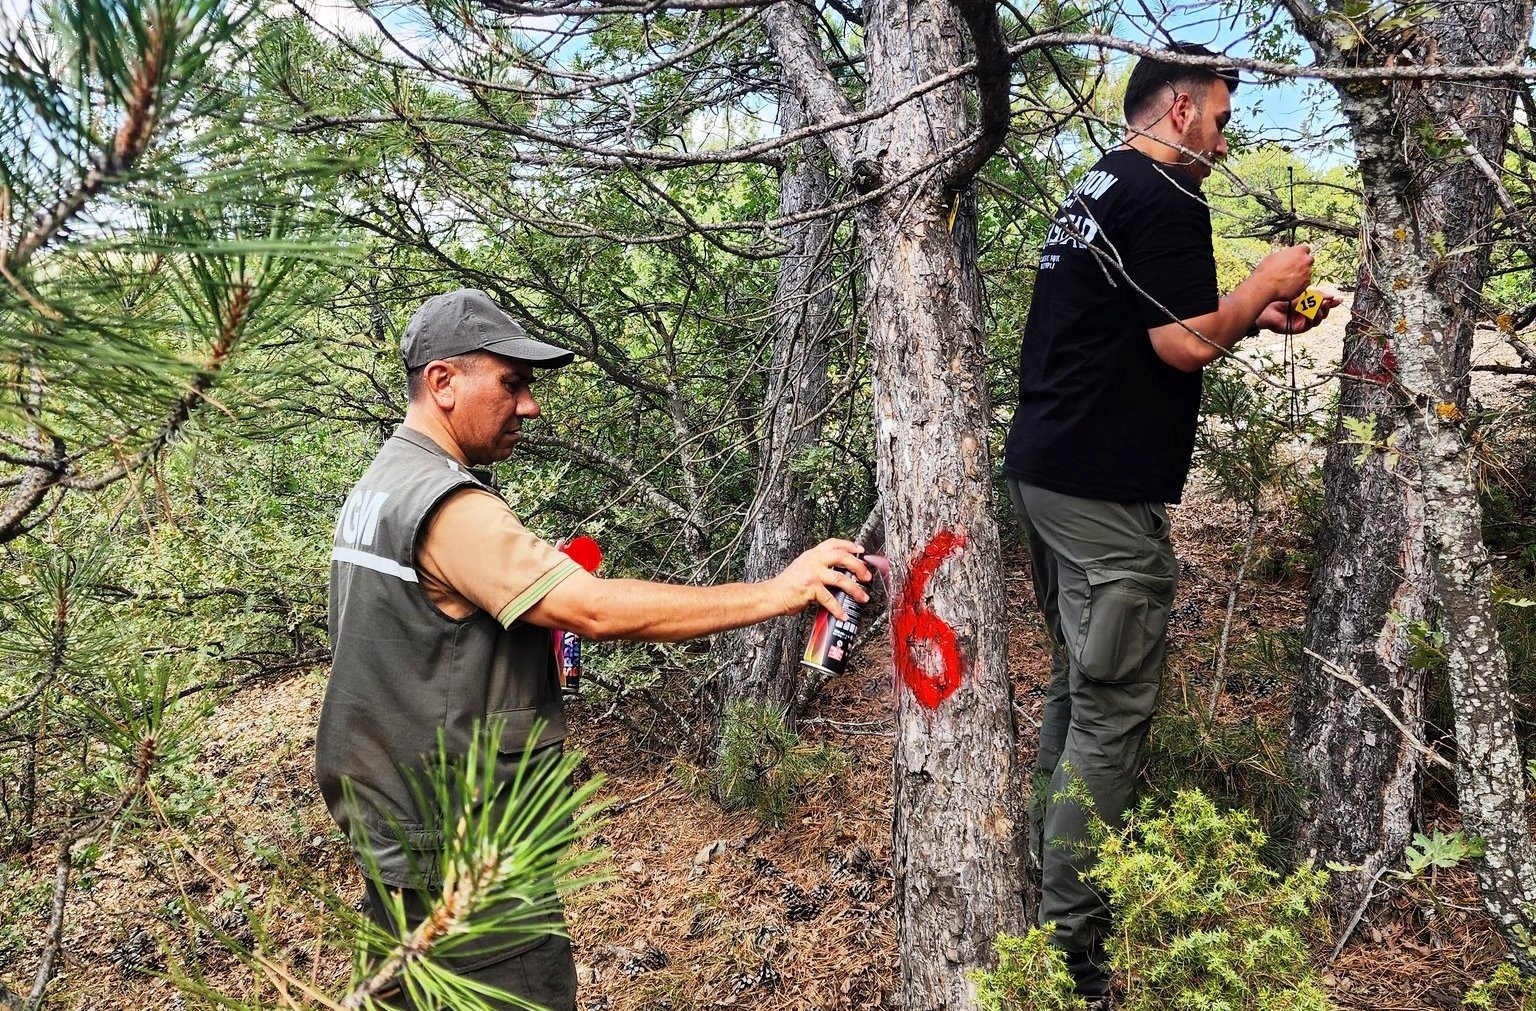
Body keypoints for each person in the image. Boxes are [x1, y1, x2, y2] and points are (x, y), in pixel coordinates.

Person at [316, 287, 870, 1010]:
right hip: (467, 856)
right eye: (510, 383)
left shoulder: (381, 485)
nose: (529, 405)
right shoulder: (448, 504)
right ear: (444, 382)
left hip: (396, 840)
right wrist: (780, 591)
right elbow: (594, 608)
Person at [1001, 44, 1339, 998]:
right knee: (1111, 712)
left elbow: (1146, 324)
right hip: (1102, 491)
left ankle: (1043, 886)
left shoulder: (1098, 187)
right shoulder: (1169, 197)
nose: (1226, 142)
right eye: (1224, 120)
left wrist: (1255, 315)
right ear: (1182, 109)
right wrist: (1263, 281)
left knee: (1078, 687)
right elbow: (1184, 343)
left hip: (1049, 472)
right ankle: (1070, 957)